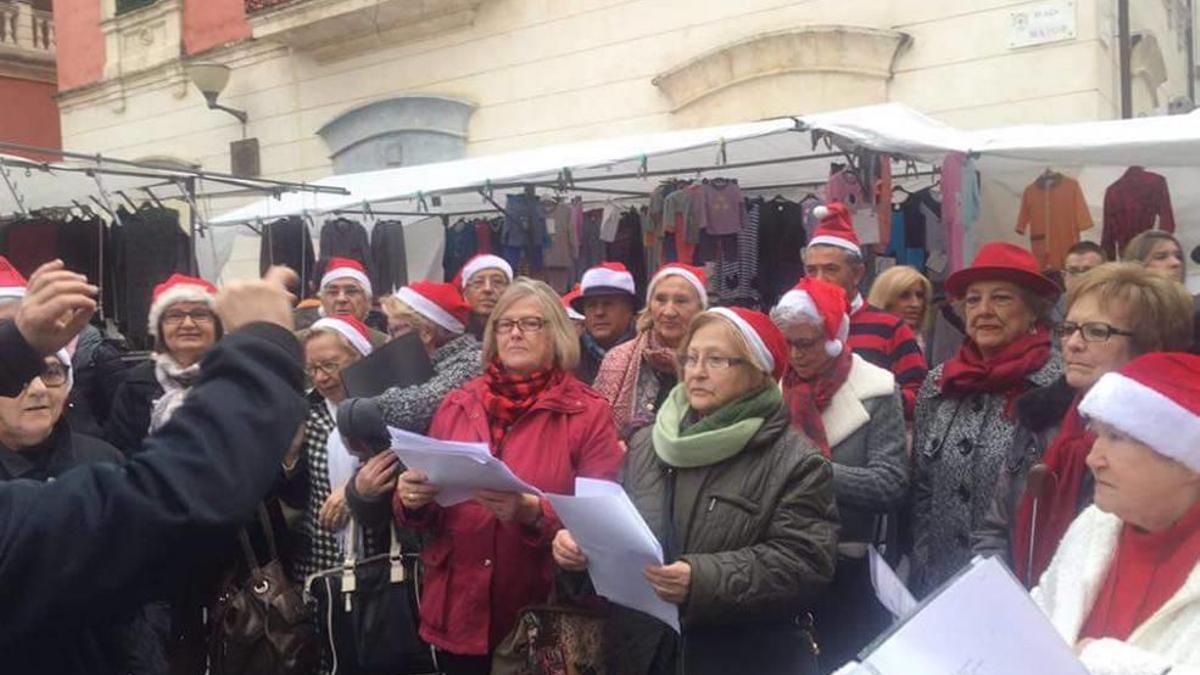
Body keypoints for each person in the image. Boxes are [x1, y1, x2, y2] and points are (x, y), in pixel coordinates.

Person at [0, 263, 309, 674]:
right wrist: (263, 347)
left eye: (51, 373)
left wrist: (16, 346)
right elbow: (159, 502)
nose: (37, 389)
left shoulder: (95, 455)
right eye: (175, 315)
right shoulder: (136, 387)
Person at [554, 306, 838, 675]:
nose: (697, 372)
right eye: (690, 358)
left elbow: (804, 563)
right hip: (642, 654)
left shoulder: (796, 461)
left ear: (759, 372)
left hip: (737, 658)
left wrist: (701, 580)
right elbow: (618, 531)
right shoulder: (646, 444)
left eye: (716, 360)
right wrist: (578, 550)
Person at [393, 278, 624, 672]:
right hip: (459, 611)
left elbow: (604, 516)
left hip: (542, 614)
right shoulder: (458, 403)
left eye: (531, 323)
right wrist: (411, 499)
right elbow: (426, 512)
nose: (515, 333)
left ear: (557, 334)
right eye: (505, 324)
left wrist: (534, 512)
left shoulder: (588, 412)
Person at [972, 263, 1194, 585]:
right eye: (1069, 328)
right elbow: (995, 528)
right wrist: (1003, 597)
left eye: (1097, 331)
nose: (1073, 343)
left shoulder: (1166, 446)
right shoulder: (1039, 417)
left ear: (1150, 345)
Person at [911, 242, 1063, 595]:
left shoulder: (1059, 386)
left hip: (1024, 589)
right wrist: (923, 569)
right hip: (943, 587)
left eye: (1001, 298)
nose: (983, 310)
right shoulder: (940, 383)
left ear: (1033, 310)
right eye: (973, 300)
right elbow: (921, 489)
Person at [1032, 353, 1200, 673]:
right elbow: (1039, 620)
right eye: (1097, 435)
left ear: (1188, 460)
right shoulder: (1094, 526)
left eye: (1117, 438)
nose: (1093, 459)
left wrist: (1100, 660)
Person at [772, 277, 908, 668]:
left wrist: (812, 471)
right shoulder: (772, 390)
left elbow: (890, 484)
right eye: (787, 343)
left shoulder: (877, 390)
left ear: (833, 338)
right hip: (779, 565)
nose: (795, 354)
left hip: (846, 570)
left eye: (806, 343)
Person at [345, 281, 482, 537]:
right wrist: (362, 491)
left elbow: (413, 410)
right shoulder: (415, 372)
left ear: (425, 333)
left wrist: (356, 412)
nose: (389, 340)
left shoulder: (470, 366)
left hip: (461, 527)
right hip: (418, 527)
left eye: (395, 330)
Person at [804, 203, 927, 417]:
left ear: (857, 274)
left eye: (831, 269)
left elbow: (921, 398)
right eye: (811, 270)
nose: (819, 280)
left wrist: (873, 400)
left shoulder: (889, 328)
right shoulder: (799, 326)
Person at [286, 315, 375, 584]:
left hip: (380, 558)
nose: (321, 377)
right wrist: (291, 456)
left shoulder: (388, 407)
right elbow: (296, 498)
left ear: (359, 357)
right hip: (320, 561)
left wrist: (353, 492)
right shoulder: (307, 414)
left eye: (330, 365)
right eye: (312, 369)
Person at [106, 274, 221, 454]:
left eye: (200, 314)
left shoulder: (238, 378)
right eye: (175, 316)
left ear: (218, 326)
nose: (188, 324)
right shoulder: (135, 384)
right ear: (159, 328)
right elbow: (120, 452)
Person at [593, 263, 708, 438]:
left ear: (700, 309)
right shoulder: (617, 359)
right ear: (650, 307)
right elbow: (596, 430)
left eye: (681, 301)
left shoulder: (714, 363)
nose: (669, 312)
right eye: (660, 300)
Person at [572, 262, 640, 385]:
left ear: (629, 309)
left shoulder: (648, 355)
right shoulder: (569, 359)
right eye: (591, 305)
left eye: (608, 304)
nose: (599, 312)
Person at [319, 257, 388, 347]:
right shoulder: (303, 343)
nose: (341, 299)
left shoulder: (384, 344)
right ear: (322, 300)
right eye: (333, 292)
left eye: (351, 292)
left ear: (368, 301)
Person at [867, 265, 934, 354]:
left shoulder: (918, 343)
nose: (915, 304)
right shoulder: (868, 344)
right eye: (904, 296)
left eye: (920, 296)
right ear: (885, 300)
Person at [454, 253, 514, 339]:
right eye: (478, 282)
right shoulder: (453, 336)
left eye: (497, 282)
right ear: (465, 293)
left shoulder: (517, 334)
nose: (487, 289)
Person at [1049, 241, 1107, 325]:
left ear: (1105, 275)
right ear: (1064, 277)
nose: (1080, 278)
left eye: (1088, 271)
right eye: (1073, 271)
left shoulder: (1120, 309)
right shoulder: (1049, 315)